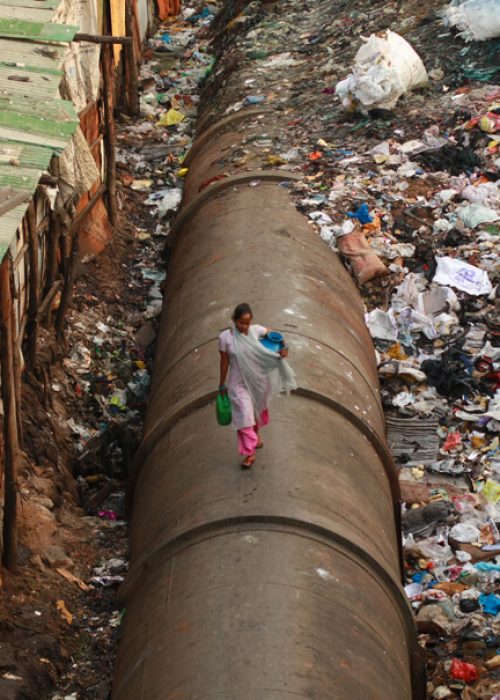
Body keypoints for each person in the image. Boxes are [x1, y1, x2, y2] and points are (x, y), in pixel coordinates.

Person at [218, 303, 297, 469]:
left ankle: (255, 437)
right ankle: (250, 453)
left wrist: (285, 346)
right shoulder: (225, 338)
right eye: (241, 323)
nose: (244, 327)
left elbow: (277, 336)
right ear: (234, 320)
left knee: (255, 412)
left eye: (247, 323)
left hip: (258, 380)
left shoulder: (255, 330)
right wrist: (221, 383)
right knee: (244, 418)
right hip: (238, 383)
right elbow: (224, 362)